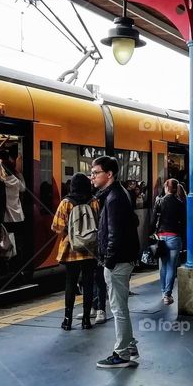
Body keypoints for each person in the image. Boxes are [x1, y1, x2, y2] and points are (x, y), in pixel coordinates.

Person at [90, 156, 141, 368]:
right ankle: (129, 346)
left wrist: (108, 261)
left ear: (109, 174)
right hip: (122, 259)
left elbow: (115, 234)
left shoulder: (114, 198)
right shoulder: (118, 194)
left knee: (118, 308)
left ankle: (121, 354)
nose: (92, 176)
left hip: (117, 261)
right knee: (121, 307)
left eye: (96, 173)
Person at [51, 173, 100, 330]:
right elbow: (98, 222)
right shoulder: (94, 202)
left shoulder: (66, 203)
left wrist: (70, 232)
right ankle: (86, 320)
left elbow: (56, 227)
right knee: (88, 283)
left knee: (70, 284)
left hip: (70, 250)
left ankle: (67, 320)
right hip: (90, 250)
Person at [151, 178, 186, 305]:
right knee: (172, 266)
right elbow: (183, 221)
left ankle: (162, 292)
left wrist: (151, 233)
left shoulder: (160, 201)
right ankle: (167, 294)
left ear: (166, 187)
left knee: (163, 266)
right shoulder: (180, 202)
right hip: (174, 237)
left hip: (161, 236)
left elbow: (153, 219)